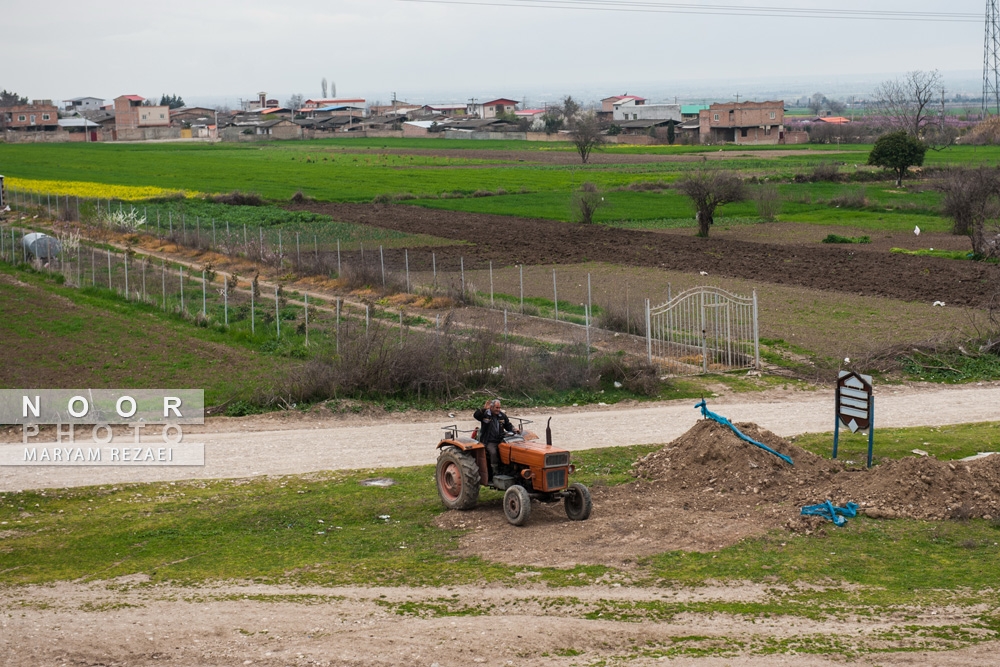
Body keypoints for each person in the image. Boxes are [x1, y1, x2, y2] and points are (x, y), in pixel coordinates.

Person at [473, 399, 519, 477]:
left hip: (500, 439)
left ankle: (510, 470)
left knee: (511, 450)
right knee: (493, 452)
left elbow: (508, 425)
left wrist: (514, 430)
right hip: (489, 441)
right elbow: (476, 415)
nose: (498, 410)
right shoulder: (485, 414)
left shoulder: (502, 415)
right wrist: (484, 408)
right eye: (496, 408)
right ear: (491, 407)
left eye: (499, 408)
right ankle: (495, 472)